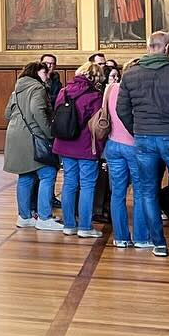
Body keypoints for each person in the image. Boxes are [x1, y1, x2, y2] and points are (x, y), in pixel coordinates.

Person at [118, 31, 169, 257]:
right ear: (167, 48)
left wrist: (137, 131)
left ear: (148, 47)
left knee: (148, 191)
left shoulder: (130, 75)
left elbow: (121, 110)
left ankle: (159, 244)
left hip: (144, 139)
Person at [5, 61, 60, 230]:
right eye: (44, 73)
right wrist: (49, 133)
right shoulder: (37, 88)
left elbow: (7, 113)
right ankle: (44, 218)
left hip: (15, 135)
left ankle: (24, 217)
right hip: (32, 136)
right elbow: (37, 111)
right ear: (36, 73)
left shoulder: (17, 89)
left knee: (26, 176)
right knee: (48, 173)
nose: (47, 76)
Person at [53, 62, 105, 239]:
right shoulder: (94, 95)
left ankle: (69, 225)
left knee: (69, 184)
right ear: (95, 77)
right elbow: (97, 124)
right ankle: (85, 227)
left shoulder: (64, 91)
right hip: (85, 146)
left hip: (64, 144)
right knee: (87, 186)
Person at [102, 59, 149, 248]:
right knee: (140, 192)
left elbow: (105, 113)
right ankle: (141, 238)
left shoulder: (111, 88)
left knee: (117, 193)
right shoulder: (140, 90)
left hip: (113, 144)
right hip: (134, 145)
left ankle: (120, 237)